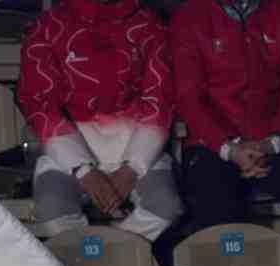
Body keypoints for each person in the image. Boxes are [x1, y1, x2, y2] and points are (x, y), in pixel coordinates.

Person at [169, 0, 280, 266]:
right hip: (216, 145)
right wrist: (230, 149)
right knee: (213, 202)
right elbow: (189, 99)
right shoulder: (190, 17)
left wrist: (273, 142)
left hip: (277, 140)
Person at [17, 0, 184, 242]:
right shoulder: (47, 27)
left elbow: (159, 100)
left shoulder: (149, 25)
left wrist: (132, 169)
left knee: (165, 208)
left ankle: (112, 250)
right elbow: (39, 102)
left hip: (135, 146)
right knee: (52, 212)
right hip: (70, 152)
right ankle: (92, 255)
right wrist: (83, 170)